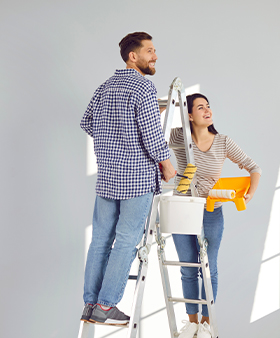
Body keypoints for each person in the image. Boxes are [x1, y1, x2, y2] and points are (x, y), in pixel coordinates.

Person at [80, 32, 176, 326]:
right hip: (136, 180)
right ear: (133, 56)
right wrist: (167, 164)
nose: (155, 56)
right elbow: (150, 135)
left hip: (108, 178)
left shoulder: (105, 87)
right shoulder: (143, 87)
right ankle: (107, 307)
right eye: (150, 51)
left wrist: (115, 141)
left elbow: (87, 122)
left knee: (100, 241)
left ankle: (90, 305)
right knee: (126, 242)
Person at [169, 93, 262, 338]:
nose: (207, 110)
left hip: (211, 211)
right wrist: (170, 105)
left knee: (208, 267)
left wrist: (249, 194)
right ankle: (192, 323)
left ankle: (207, 322)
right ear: (189, 115)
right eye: (200, 107)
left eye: (208, 106)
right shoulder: (179, 136)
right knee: (188, 267)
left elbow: (254, 167)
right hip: (182, 207)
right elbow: (152, 133)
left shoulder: (223, 142)